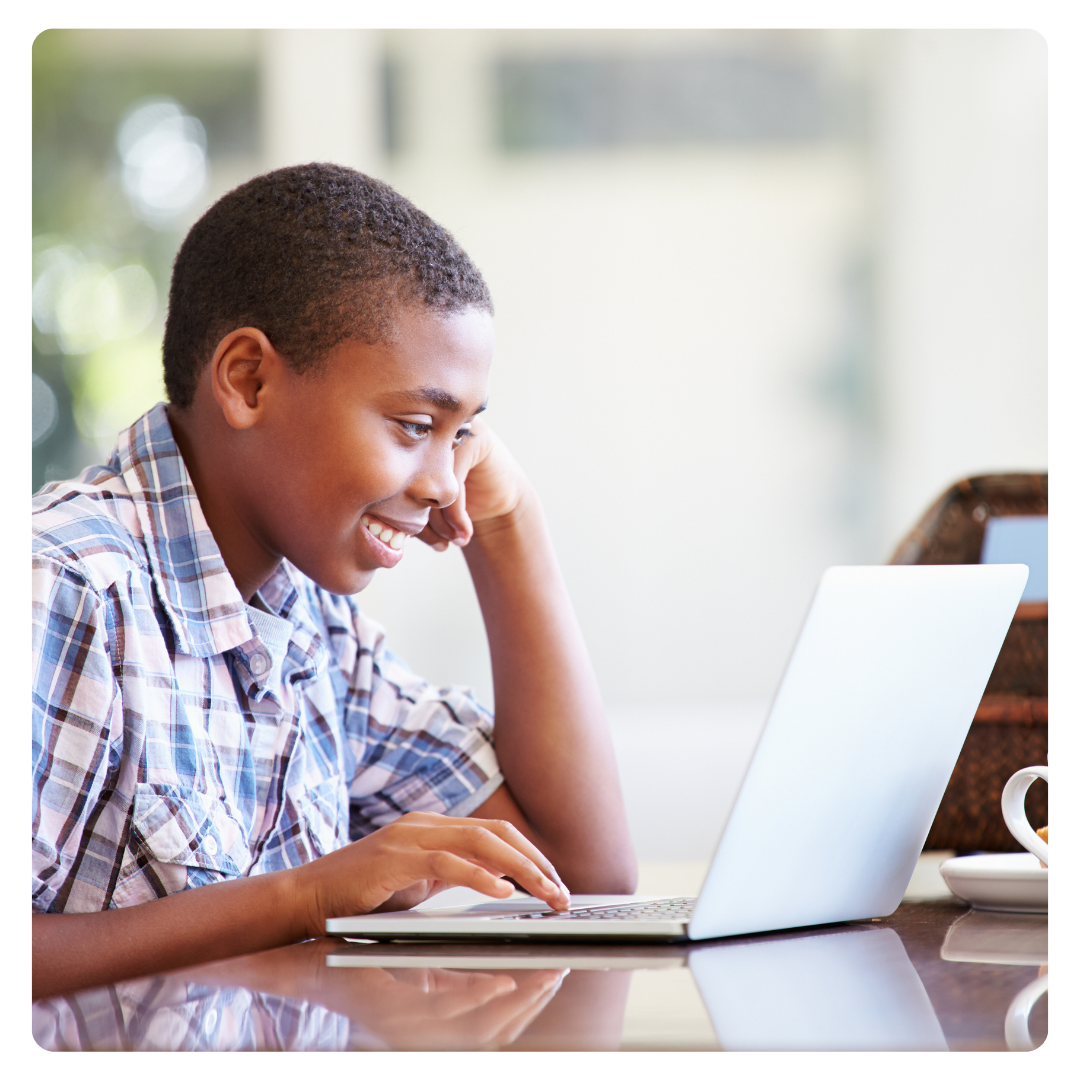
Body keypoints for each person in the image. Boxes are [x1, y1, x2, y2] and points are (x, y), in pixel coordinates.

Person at [32, 163, 636, 1001]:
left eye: (463, 437)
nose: (444, 483)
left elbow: (583, 874)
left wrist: (510, 524)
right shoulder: (62, 590)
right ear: (249, 381)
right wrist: (304, 897)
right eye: (416, 426)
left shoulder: (313, 622)